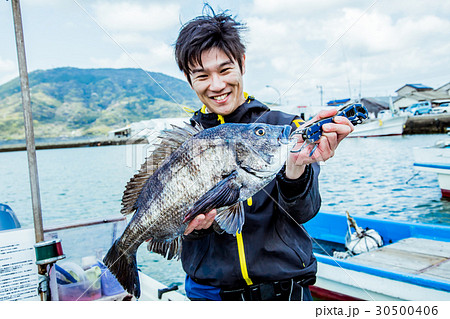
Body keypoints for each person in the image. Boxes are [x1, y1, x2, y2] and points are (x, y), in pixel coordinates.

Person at [174, 7, 354, 301]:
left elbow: (304, 212)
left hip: (286, 294)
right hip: (210, 297)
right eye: (202, 75)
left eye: (225, 69)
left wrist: (296, 170)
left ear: (242, 63)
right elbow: (178, 226)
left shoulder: (284, 128)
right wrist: (193, 228)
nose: (217, 85)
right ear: (187, 77)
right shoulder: (184, 144)